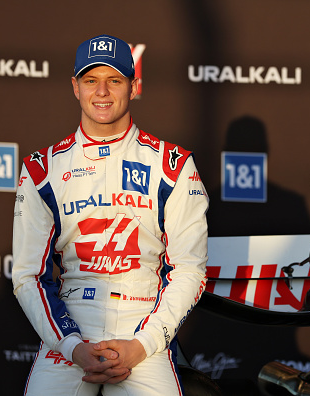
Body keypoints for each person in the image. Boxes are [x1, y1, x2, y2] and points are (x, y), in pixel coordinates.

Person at [12, 34, 209, 395]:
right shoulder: (42, 169)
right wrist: (72, 346)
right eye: (91, 80)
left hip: (143, 322)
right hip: (71, 324)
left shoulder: (173, 165)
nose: (102, 92)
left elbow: (189, 270)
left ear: (134, 87)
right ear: (75, 87)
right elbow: (28, 275)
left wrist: (142, 345)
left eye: (114, 80)